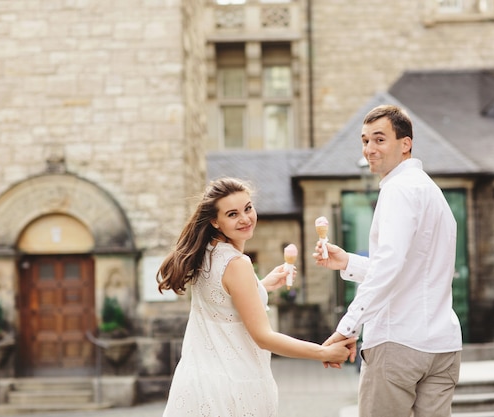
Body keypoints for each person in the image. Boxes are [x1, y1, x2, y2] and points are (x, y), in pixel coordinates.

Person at [157, 177, 356, 417]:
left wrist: (261, 286)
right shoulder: (237, 263)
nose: (245, 218)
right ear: (215, 221)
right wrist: (323, 352)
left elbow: (223, 304)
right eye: (232, 214)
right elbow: (263, 337)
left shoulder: (206, 254)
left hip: (197, 385)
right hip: (233, 387)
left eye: (248, 208)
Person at [314, 105, 462, 417]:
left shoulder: (397, 189)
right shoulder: (433, 193)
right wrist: (348, 262)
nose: (369, 149)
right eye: (365, 141)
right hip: (443, 346)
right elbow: (409, 269)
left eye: (379, 140)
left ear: (405, 143)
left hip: (398, 344)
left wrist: (348, 327)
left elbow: (390, 266)